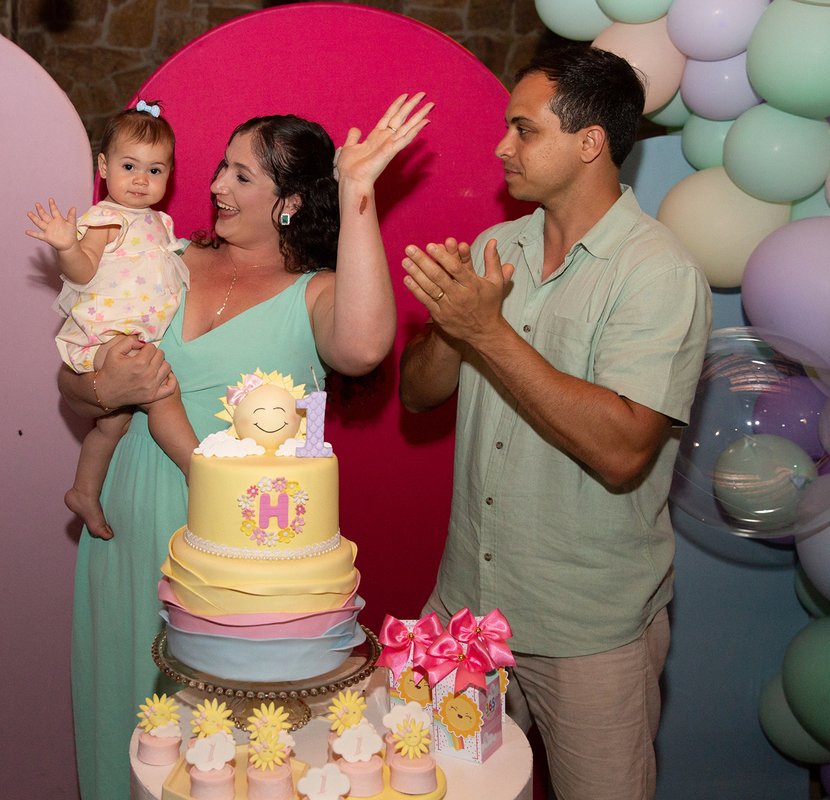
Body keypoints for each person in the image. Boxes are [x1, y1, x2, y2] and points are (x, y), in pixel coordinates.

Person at [58, 94, 432, 800]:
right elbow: (72, 381)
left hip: (236, 559)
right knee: (123, 717)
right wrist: (108, 388)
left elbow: (363, 346)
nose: (215, 187)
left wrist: (358, 195)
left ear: (289, 202)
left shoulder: (314, 294)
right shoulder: (163, 253)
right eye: (221, 169)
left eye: (241, 176)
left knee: (218, 759)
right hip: (126, 524)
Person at [398, 47, 711, 800]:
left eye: (524, 130)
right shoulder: (495, 248)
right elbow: (416, 395)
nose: (503, 147)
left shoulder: (657, 271)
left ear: (590, 142)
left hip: (588, 629)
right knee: (422, 786)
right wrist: (453, 324)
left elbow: (622, 449)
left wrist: (489, 331)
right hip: (464, 607)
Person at [27, 101, 192, 540]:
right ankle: (198, 469)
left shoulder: (160, 221)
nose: (141, 179)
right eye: (129, 166)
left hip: (132, 335)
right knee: (159, 391)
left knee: (112, 423)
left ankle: (84, 490)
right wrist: (67, 246)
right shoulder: (105, 219)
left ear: (170, 174)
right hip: (108, 334)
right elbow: (82, 272)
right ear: (103, 167)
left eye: (156, 170)